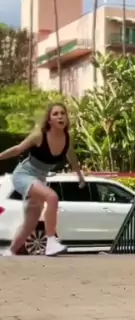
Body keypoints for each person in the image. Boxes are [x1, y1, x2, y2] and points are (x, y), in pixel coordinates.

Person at [0, 103, 85, 257]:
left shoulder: (67, 138)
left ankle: (10, 251)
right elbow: (18, 149)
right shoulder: (40, 135)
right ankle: (51, 242)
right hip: (23, 174)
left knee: (30, 223)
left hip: (39, 178)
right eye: (55, 114)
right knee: (52, 197)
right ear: (49, 120)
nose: (60, 116)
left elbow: (72, 157)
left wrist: (80, 176)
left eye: (63, 113)